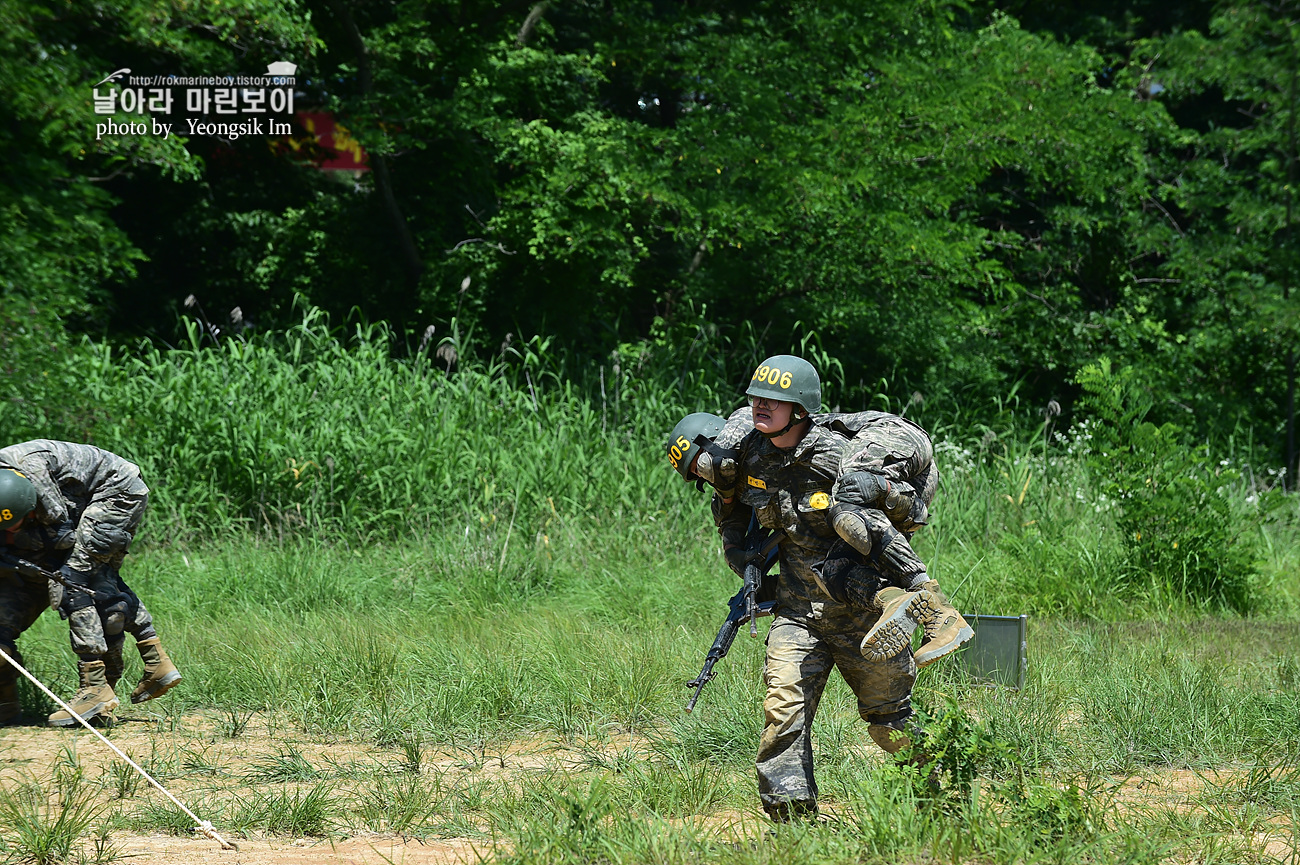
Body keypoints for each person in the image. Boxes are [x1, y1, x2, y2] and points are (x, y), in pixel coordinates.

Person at [668, 355, 965, 820]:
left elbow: (907, 514)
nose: (761, 405)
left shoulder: (839, 452)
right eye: (756, 398)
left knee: (892, 723)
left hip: (865, 615)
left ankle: (946, 797)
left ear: (801, 408)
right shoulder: (750, 456)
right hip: (797, 613)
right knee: (782, 716)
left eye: (775, 399)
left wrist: (880, 520)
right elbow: (736, 516)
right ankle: (792, 826)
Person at [668, 386, 970, 666]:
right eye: (696, 474)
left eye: (701, 464)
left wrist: (879, 499)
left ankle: (937, 608)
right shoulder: (735, 484)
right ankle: (896, 603)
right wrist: (736, 554)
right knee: (833, 570)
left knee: (848, 509)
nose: (703, 475)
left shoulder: (816, 446)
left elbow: (889, 495)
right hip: (830, 573)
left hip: (892, 497)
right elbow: (730, 520)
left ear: (717, 444)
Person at [0, 441, 181, 727]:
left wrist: (16, 544)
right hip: (81, 499)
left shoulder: (28, 469)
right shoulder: (8, 486)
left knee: (72, 580)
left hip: (116, 492)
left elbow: (61, 534)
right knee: (96, 579)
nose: (10, 530)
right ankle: (156, 662)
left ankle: (96, 687)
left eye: (16, 523)